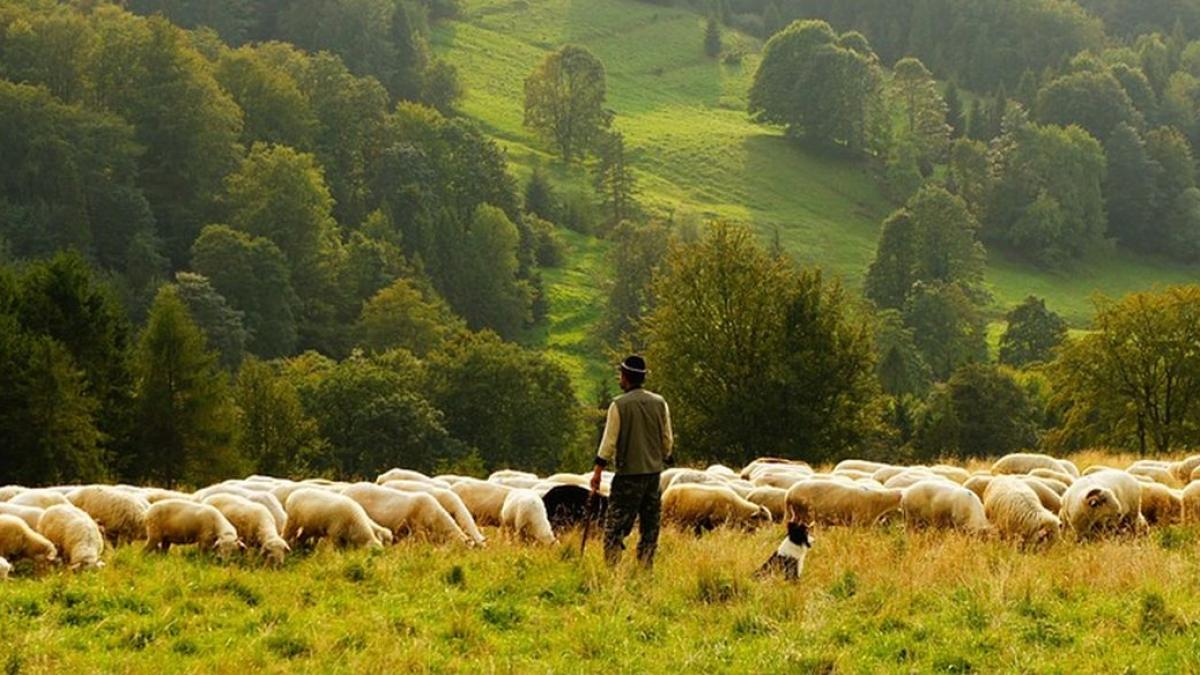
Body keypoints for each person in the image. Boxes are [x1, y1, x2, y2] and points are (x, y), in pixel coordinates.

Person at [590, 354, 674, 568]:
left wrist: (598, 471)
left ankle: (613, 571)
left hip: (628, 476)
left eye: (621, 374)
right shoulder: (660, 403)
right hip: (653, 475)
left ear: (626, 377)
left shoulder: (619, 405)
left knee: (615, 528)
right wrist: (664, 456)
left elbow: (609, 442)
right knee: (650, 527)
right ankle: (645, 568)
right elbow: (667, 439)